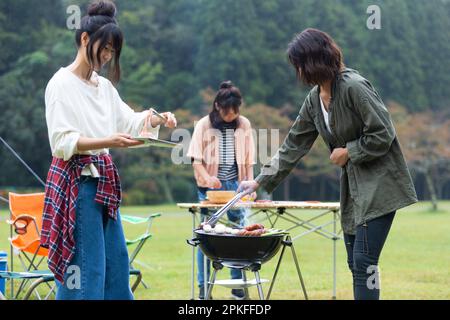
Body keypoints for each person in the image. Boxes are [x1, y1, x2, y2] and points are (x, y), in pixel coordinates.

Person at [238, 28, 418, 300]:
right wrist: (260, 181)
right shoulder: (314, 99)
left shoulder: (355, 87)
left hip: (380, 186)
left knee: (363, 262)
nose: (297, 71)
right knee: (356, 264)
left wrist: (349, 151)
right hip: (353, 189)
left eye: (299, 64)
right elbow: (293, 145)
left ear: (313, 61)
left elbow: (384, 132)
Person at [41, 0, 177, 300]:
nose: (106, 56)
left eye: (112, 51)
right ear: (85, 39)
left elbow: (129, 122)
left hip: (103, 187)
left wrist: (156, 118)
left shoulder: (103, 87)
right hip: (77, 187)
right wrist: (108, 141)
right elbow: (62, 142)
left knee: (117, 268)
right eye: (104, 48)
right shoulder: (60, 84)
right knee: (87, 272)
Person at [187, 81, 256, 300]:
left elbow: (249, 159)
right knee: (206, 239)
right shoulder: (204, 125)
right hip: (210, 190)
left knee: (238, 237)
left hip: (237, 188)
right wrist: (208, 178)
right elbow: (195, 159)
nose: (231, 116)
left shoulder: (243, 124)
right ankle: (203, 289)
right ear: (218, 106)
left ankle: (238, 287)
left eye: (235, 112)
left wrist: (251, 184)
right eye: (228, 112)